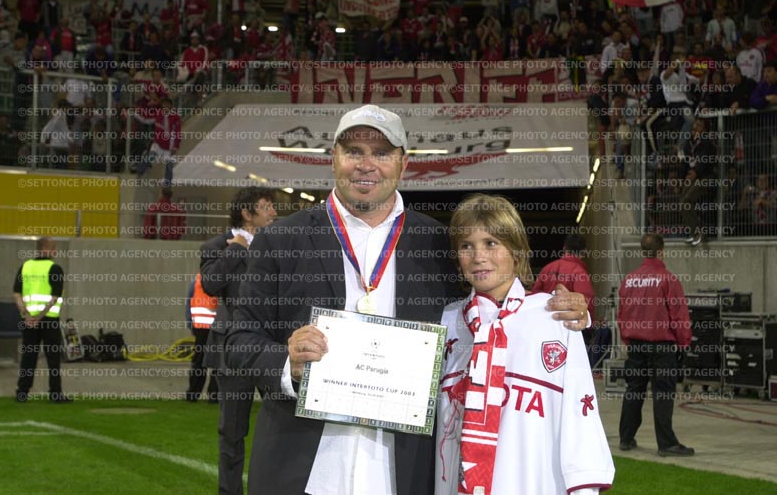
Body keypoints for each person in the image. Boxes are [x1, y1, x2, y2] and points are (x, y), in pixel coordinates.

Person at [225, 105, 591, 495]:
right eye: (353, 151)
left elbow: (487, 314)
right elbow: (238, 339)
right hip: (302, 469)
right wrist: (288, 364)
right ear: (334, 158)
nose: (366, 165)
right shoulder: (282, 239)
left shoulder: (436, 243)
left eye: (381, 153)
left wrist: (551, 312)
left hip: (403, 473)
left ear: (403, 164)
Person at [435, 194, 614, 495]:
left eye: (491, 243)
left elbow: (578, 413)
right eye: (467, 246)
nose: (478, 256)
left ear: (516, 250)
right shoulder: (446, 321)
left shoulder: (555, 316)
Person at [200, 187, 277, 495]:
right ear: (247, 213)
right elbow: (210, 284)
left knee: (282, 426)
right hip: (232, 351)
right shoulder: (216, 246)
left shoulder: (277, 244)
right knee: (232, 432)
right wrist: (236, 250)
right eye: (267, 206)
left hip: (273, 350)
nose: (273, 212)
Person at [617, 234, 694, 457]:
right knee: (663, 394)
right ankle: (666, 443)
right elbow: (679, 315)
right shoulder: (668, 280)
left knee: (634, 390)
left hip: (636, 345)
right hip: (662, 346)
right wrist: (684, 342)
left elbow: (622, 314)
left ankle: (626, 438)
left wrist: (628, 339)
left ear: (643, 251)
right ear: (661, 251)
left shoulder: (629, 280)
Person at [14, 237, 71, 403]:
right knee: (53, 358)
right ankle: (55, 394)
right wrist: (39, 317)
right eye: (54, 248)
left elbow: (17, 293)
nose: (55, 251)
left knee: (28, 356)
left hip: (29, 321)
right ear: (48, 249)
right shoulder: (55, 268)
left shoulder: (25, 267)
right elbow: (55, 297)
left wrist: (26, 314)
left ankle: (22, 392)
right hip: (49, 320)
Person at [680, 119, 717, 246]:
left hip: (705, 177)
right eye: (695, 124)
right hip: (692, 176)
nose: (695, 127)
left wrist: (695, 172)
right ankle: (694, 233)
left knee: (686, 201)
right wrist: (684, 177)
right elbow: (685, 162)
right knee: (682, 203)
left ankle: (698, 233)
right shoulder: (689, 143)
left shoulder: (707, 143)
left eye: (699, 125)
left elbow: (705, 162)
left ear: (705, 130)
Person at [186, 273, 219, 402]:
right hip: (218, 328)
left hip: (200, 327)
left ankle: (193, 393)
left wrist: (190, 323)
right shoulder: (223, 277)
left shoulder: (197, 280)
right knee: (217, 362)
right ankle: (214, 395)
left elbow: (189, 302)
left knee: (199, 361)